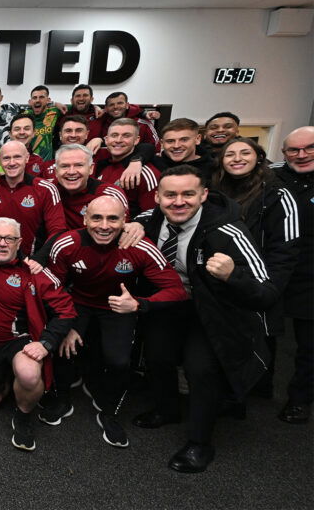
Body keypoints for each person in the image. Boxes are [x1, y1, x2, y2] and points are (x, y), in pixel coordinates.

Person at [123, 165, 278, 473]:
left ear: (204, 195)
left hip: (211, 312)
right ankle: (167, 410)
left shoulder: (228, 231)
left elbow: (267, 291)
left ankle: (199, 443)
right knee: (156, 356)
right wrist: (134, 226)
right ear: (157, 197)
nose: (178, 202)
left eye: (188, 194)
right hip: (170, 305)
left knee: (201, 369)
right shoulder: (149, 221)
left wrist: (233, 276)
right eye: (170, 195)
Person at [43, 197, 187, 447]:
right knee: (63, 347)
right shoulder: (67, 244)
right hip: (77, 302)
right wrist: (66, 323)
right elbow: (52, 286)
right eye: (97, 218)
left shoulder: (140, 246)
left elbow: (176, 290)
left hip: (120, 305)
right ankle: (62, 397)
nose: (104, 226)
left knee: (119, 361)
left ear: (125, 221)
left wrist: (139, 303)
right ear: (85, 219)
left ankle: (109, 410)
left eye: (113, 219)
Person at [0, 217, 76, 451]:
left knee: (28, 374)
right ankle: (8, 377)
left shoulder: (33, 272)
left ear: (20, 243)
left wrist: (46, 342)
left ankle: (24, 414)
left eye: (10, 238)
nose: (2, 243)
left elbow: (66, 310)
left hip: (17, 342)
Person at [211, 137, 299, 403]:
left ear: (259, 157)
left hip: (261, 276)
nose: (237, 158)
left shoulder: (278, 193)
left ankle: (257, 395)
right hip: (223, 273)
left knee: (260, 334)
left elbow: (286, 248)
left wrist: (270, 286)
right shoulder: (216, 191)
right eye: (230, 155)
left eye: (244, 153)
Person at [273, 126, 314, 424]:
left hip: (311, 276)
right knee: (262, 335)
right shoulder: (271, 176)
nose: (301, 155)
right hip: (273, 269)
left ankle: (299, 399)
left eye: (309, 148)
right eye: (294, 150)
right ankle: (257, 389)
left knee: (308, 344)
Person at [0, 141, 65, 256]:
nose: (12, 162)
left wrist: (40, 258)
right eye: (6, 158)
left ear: (27, 158)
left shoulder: (46, 189)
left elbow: (57, 230)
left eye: (17, 157)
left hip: (32, 261)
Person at [52, 144, 128, 230]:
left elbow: (123, 230)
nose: (71, 172)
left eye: (79, 165)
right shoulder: (47, 191)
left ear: (91, 168)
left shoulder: (110, 194)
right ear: (56, 171)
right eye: (65, 166)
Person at [96, 118, 161, 218]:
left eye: (126, 136)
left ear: (136, 140)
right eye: (114, 135)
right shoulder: (101, 162)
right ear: (106, 139)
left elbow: (152, 213)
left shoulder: (143, 172)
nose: (118, 140)